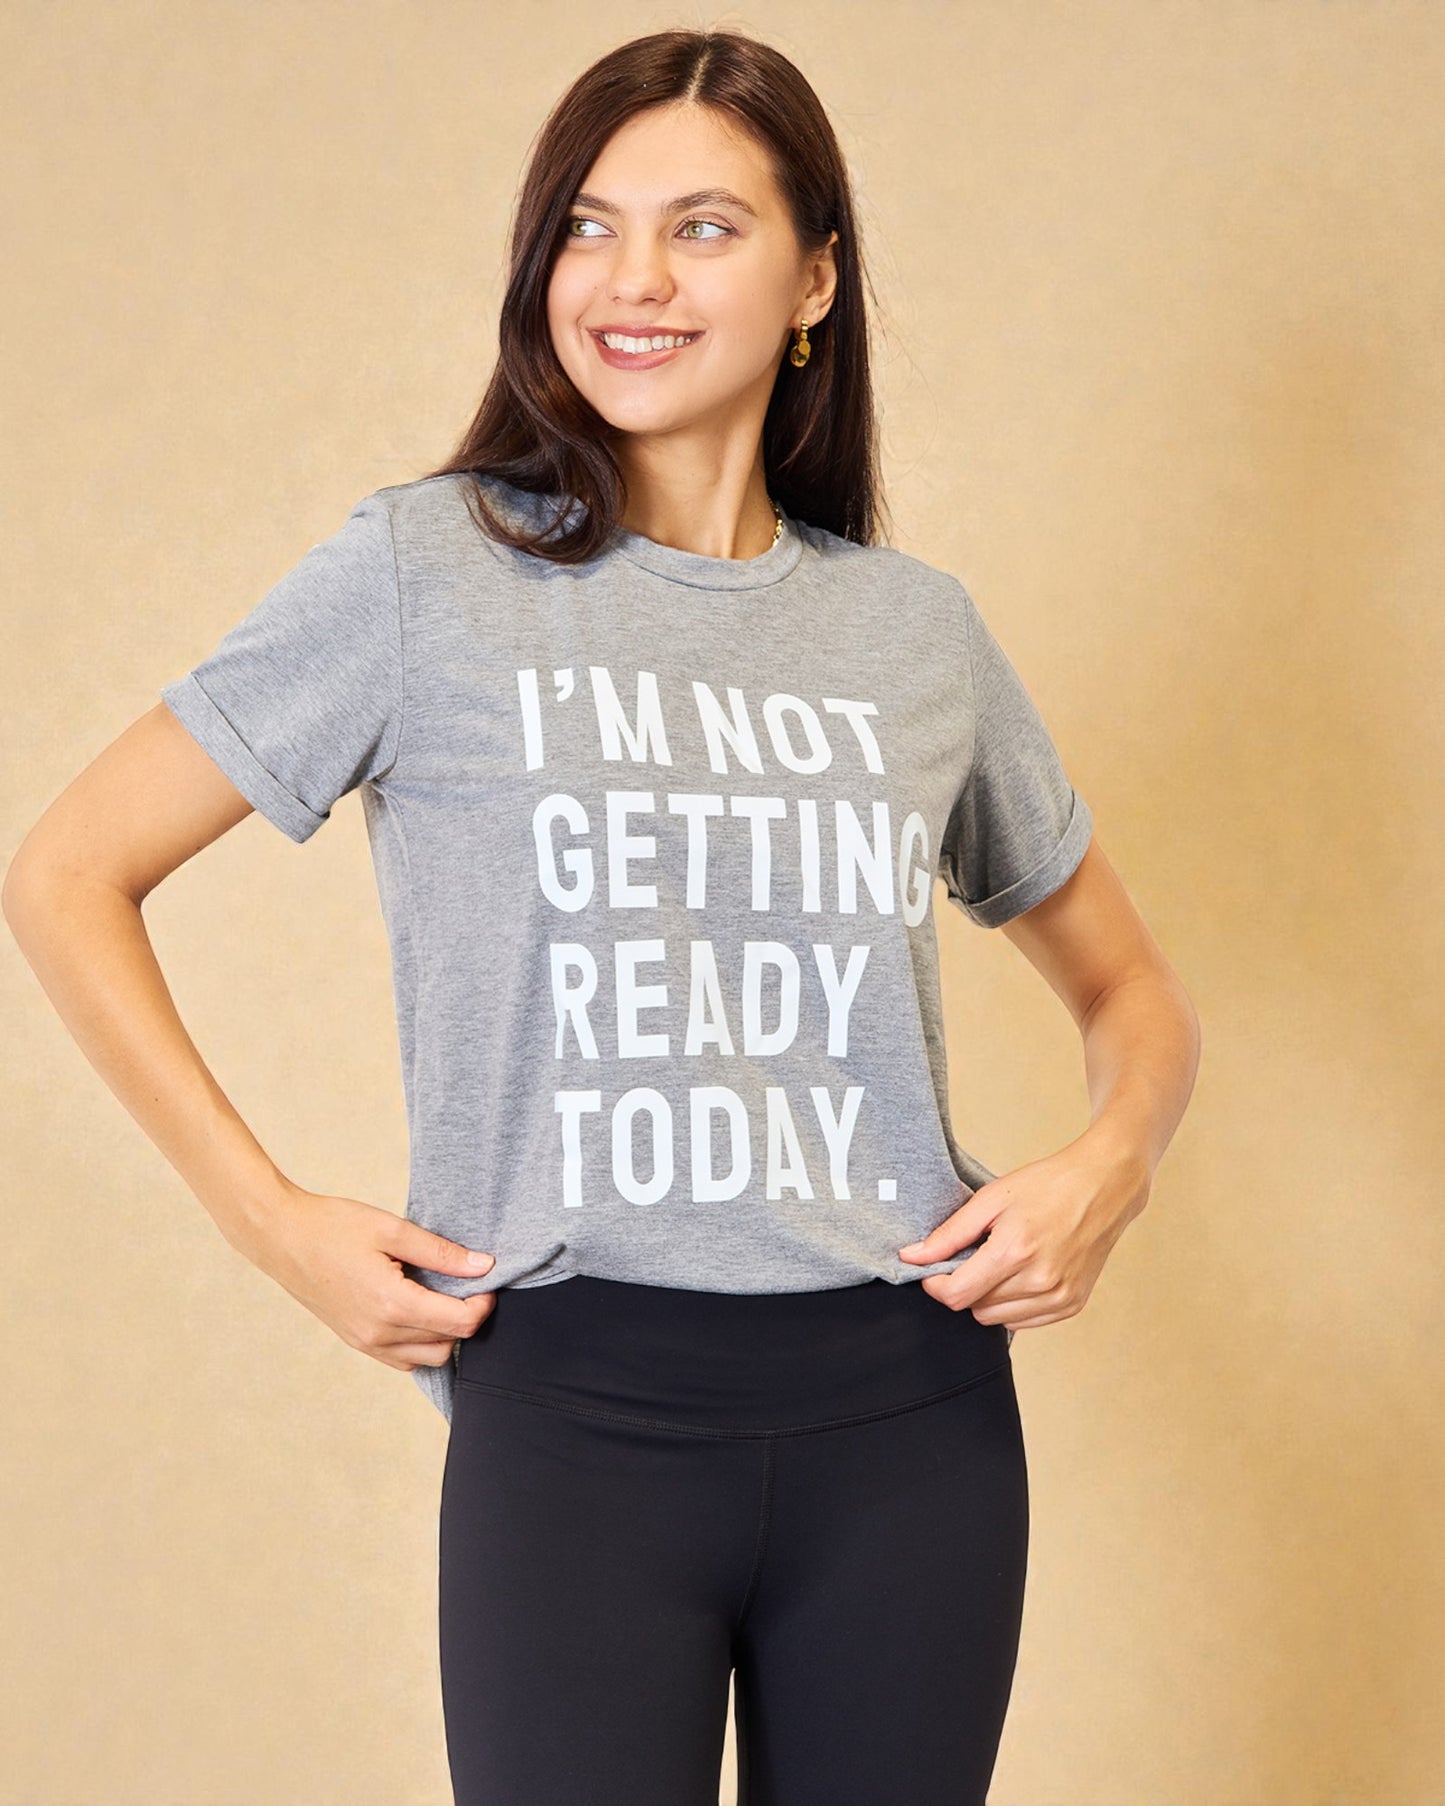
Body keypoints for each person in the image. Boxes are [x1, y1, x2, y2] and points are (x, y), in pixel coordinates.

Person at [3, 27, 1202, 1806]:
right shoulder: (426, 575)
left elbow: (1134, 995)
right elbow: (65, 871)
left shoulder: (912, 635)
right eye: (585, 225)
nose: (629, 281)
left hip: (912, 1410)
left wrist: (1110, 1160)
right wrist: (268, 1221)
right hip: (574, 1405)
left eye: (702, 228)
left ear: (814, 277)